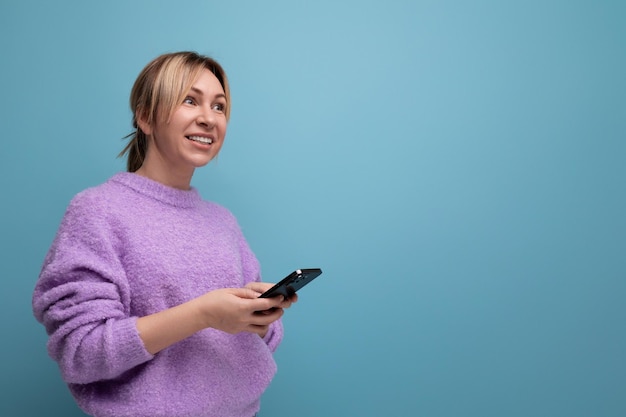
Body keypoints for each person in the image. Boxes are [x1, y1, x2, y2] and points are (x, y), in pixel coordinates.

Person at [32, 51, 295, 417]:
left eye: (219, 107)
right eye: (190, 100)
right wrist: (203, 314)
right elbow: (81, 352)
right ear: (145, 117)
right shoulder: (97, 211)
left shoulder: (223, 221)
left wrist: (260, 317)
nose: (208, 118)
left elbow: (261, 343)